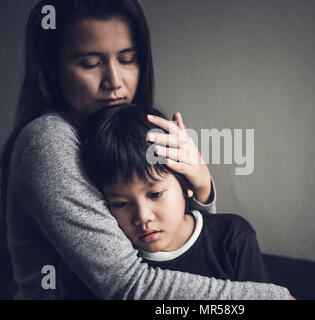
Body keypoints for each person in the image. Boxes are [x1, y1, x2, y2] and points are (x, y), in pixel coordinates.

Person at [1, 0, 291, 299]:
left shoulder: (126, 130)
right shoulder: (48, 142)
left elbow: (186, 253)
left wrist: (201, 184)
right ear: (52, 67)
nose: (114, 82)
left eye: (127, 59)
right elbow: (130, 286)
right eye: (90, 64)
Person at [80, 104, 271, 284]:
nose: (143, 217)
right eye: (121, 204)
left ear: (187, 183)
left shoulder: (232, 237)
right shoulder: (117, 264)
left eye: (155, 194)